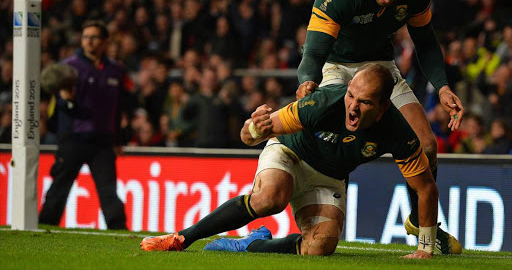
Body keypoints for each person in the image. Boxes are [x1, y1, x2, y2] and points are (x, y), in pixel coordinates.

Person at [140, 64, 450, 259]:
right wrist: (253, 127)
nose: (352, 107)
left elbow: (426, 189)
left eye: (364, 102)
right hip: (291, 154)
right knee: (270, 199)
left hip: (330, 178)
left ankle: (250, 244)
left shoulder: (397, 131)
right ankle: (182, 238)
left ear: (383, 108)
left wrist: (425, 247)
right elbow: (250, 137)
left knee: (321, 247)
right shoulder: (325, 102)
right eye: (351, 96)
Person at [295, 0, 464, 253]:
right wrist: (307, 81)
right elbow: (315, 50)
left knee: (427, 146)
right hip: (336, 67)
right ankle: (319, 222)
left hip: (380, 69)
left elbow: (425, 42)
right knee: (340, 146)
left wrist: (441, 86)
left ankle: (419, 221)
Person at [39, 20, 127, 230]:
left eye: (94, 37)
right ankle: (44, 225)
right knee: (60, 187)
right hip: (73, 139)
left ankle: (120, 231)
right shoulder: (69, 67)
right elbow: (59, 106)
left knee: (108, 190)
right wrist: (67, 100)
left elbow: (118, 107)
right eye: (86, 37)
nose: (89, 42)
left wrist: (117, 140)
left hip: (103, 141)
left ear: (105, 42)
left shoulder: (116, 70)